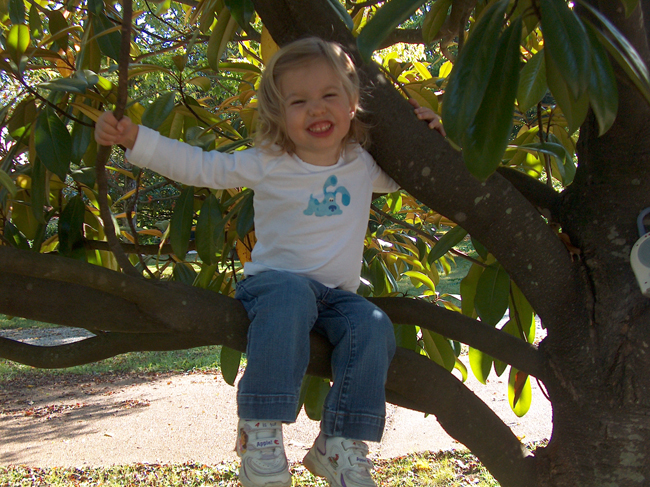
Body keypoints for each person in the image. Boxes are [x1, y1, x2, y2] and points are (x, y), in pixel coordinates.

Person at [95, 37, 443, 487]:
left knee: (373, 325)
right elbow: (203, 167)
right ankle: (259, 434)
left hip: (336, 297)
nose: (316, 109)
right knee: (292, 294)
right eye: (299, 102)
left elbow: (408, 176)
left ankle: (338, 444)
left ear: (352, 103)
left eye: (329, 95)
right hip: (276, 286)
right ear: (278, 114)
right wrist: (135, 138)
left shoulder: (360, 163)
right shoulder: (270, 161)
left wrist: (429, 133)